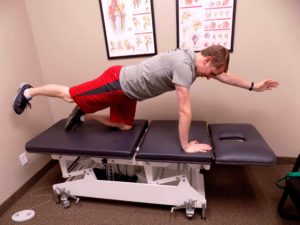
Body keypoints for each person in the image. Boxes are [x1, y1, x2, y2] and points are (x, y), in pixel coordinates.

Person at [12, 45, 279, 153]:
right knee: (70, 95)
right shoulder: (185, 67)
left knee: (125, 125)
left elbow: (226, 77)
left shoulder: (195, 59)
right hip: (116, 82)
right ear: (207, 59)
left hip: (128, 93)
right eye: (212, 72)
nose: (212, 77)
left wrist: (253, 86)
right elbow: (184, 109)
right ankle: (28, 90)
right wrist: (186, 146)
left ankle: (85, 115)